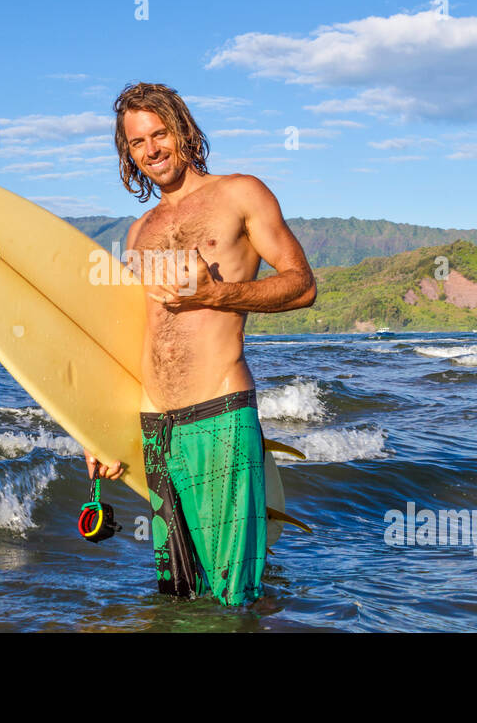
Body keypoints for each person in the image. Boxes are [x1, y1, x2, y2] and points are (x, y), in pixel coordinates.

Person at [84, 82, 316, 606]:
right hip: (157, 428)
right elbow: (136, 338)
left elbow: (302, 284)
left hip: (219, 413)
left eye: (160, 134)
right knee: (180, 595)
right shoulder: (141, 229)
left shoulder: (240, 194)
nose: (152, 149)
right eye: (138, 142)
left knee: (234, 597)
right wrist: (100, 430)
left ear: (184, 131)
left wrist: (219, 293)